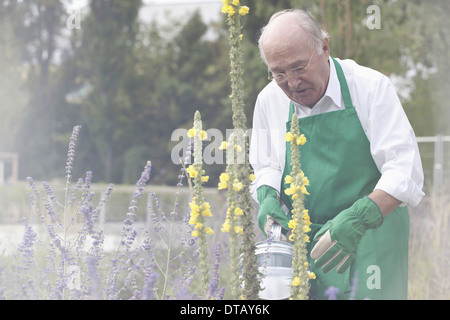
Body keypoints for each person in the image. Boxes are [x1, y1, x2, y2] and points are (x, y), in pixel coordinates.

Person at [249, 9, 425, 300]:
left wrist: (358, 217)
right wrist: (268, 198)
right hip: (308, 245)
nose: (292, 83)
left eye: (299, 68)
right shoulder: (269, 100)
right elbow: (266, 164)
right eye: (279, 73)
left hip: (372, 238)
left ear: (324, 47)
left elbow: (404, 169)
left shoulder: (369, 88)